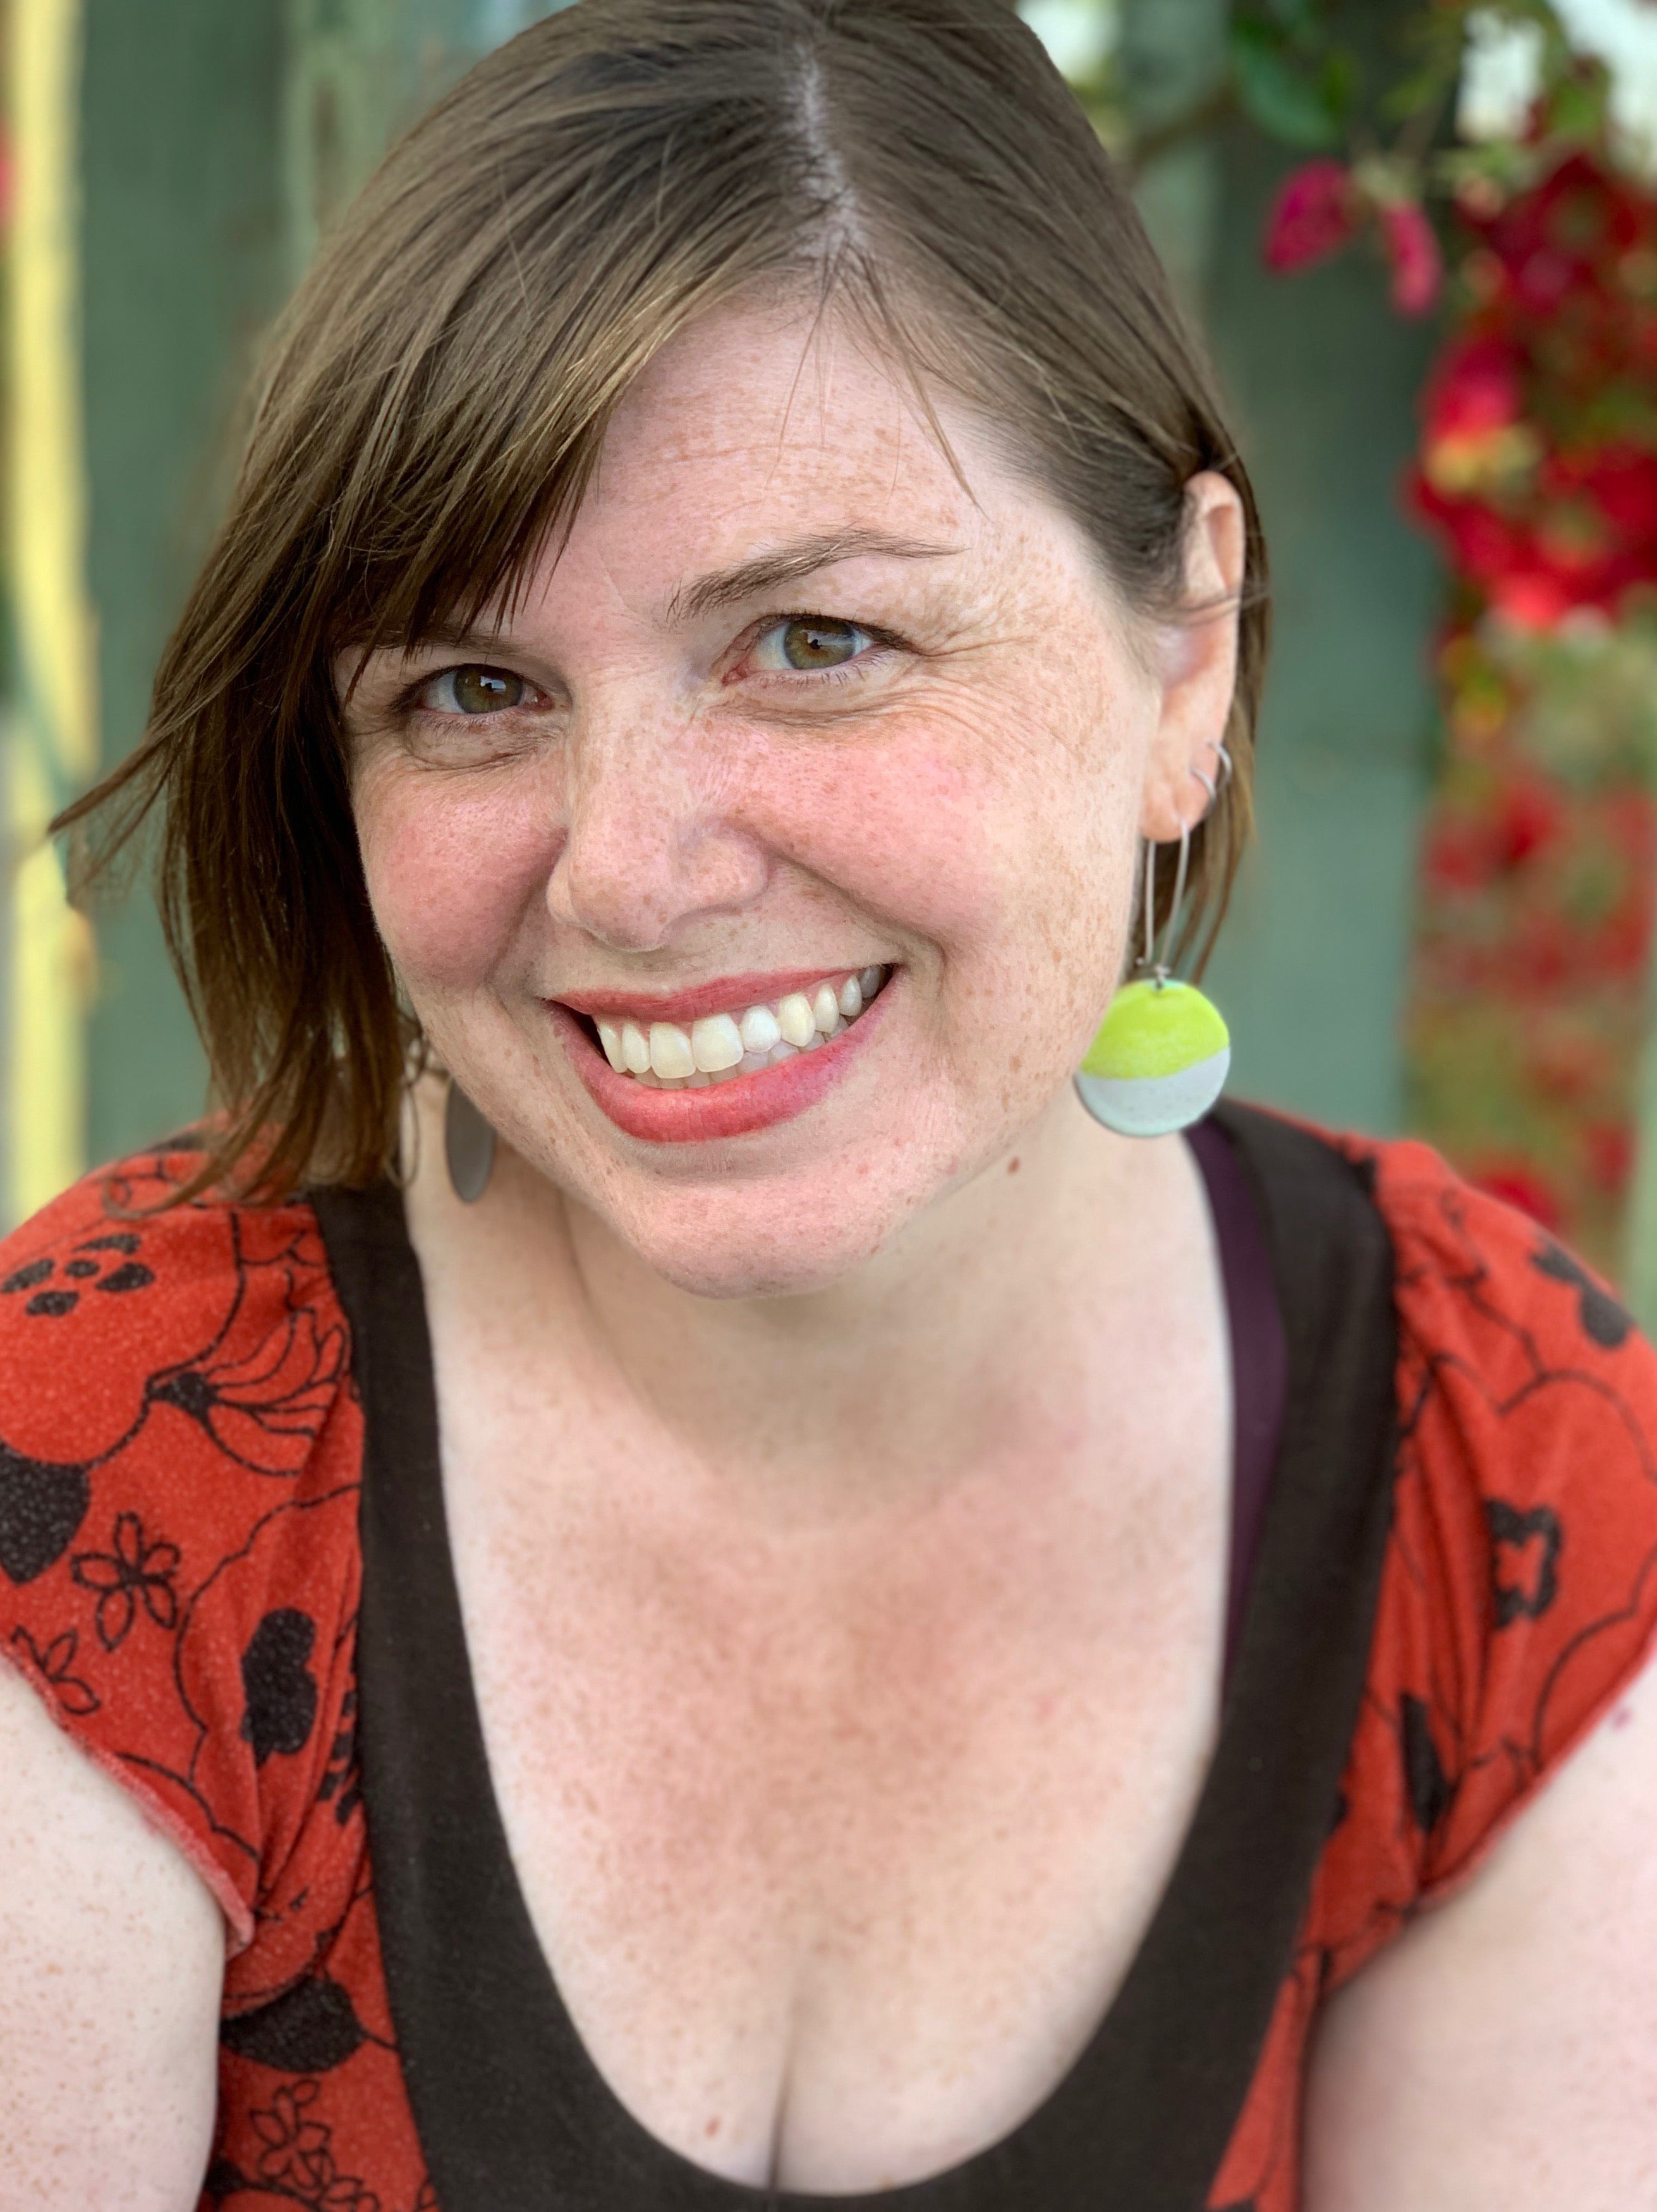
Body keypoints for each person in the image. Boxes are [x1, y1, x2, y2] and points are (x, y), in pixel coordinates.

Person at [3, 2, 1656, 2206]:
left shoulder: (1488, 1466)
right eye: (474, 689)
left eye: (812, 640)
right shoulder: (120, 1470)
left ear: (1190, 653)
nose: (626, 867)